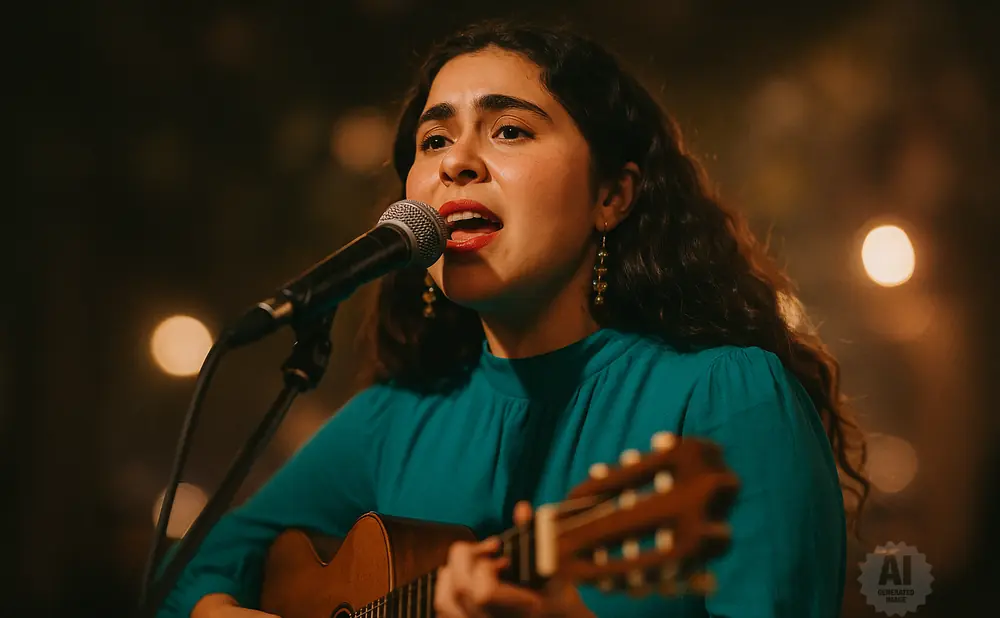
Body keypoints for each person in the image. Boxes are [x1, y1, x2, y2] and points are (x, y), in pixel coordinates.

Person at [159, 19, 868, 618]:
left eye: (509, 131)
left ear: (613, 196)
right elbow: (189, 579)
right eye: (433, 141)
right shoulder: (396, 418)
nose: (457, 163)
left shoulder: (726, 397)